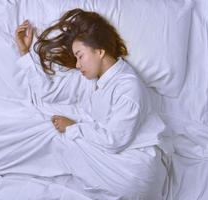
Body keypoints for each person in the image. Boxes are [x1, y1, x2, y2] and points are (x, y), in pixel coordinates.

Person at [15, 8, 168, 200]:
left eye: (80, 56)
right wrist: (24, 52)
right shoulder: (92, 79)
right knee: (45, 128)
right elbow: (49, 93)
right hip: (116, 163)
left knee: (54, 138)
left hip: (134, 172)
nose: (77, 64)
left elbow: (114, 140)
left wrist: (73, 127)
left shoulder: (129, 86)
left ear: (100, 51)